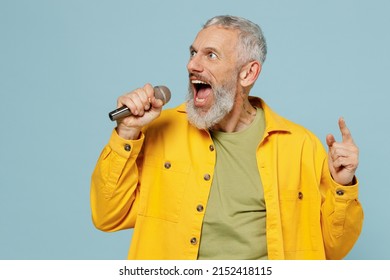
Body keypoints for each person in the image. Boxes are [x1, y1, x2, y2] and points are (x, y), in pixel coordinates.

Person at [90, 15, 363, 260]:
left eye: (210, 56)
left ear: (247, 73)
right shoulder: (158, 129)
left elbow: (333, 249)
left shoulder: (300, 145)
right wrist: (127, 132)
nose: (192, 65)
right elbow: (107, 216)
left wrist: (343, 183)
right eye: (193, 53)